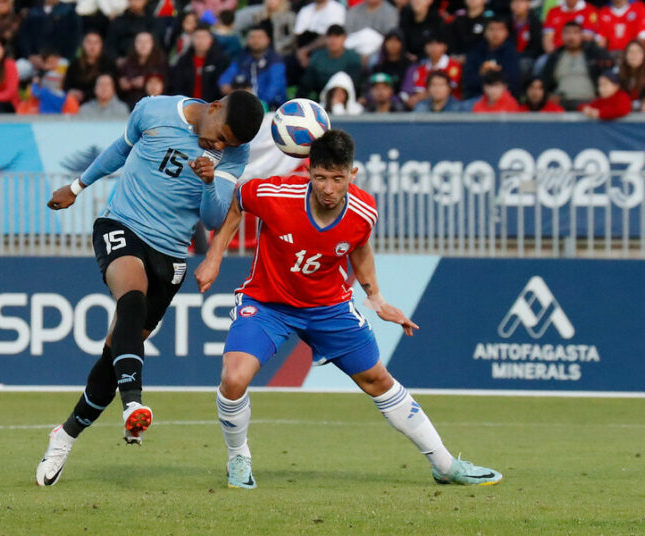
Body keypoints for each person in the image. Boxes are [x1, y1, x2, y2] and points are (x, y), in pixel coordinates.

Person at [194, 129, 503, 490]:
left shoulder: (364, 209)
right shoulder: (274, 193)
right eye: (321, 177)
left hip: (328, 306)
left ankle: (445, 464)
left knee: (378, 380)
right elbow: (236, 204)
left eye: (337, 179)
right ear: (309, 172)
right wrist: (214, 258)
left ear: (351, 175)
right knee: (233, 378)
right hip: (268, 302)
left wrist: (377, 299)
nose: (328, 187)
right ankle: (238, 458)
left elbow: (359, 248)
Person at [36, 89, 265, 486]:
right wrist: (76, 188)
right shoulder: (155, 109)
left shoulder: (232, 155)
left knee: (115, 354)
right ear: (212, 109)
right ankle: (133, 405)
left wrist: (210, 181)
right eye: (220, 135)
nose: (219, 145)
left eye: (228, 144)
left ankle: (66, 434)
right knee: (132, 298)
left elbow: (212, 220)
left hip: (171, 254)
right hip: (122, 225)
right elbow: (120, 150)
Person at [542, 21, 613, 110]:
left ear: (582, 35)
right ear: (562, 36)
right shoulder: (555, 57)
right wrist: (550, 95)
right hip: (561, 105)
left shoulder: (595, 54)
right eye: (567, 33)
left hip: (590, 104)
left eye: (575, 32)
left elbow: (609, 78)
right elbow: (544, 81)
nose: (571, 37)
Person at [218, 23, 285, 110]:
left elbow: (273, 89)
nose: (255, 40)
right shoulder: (242, 58)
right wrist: (227, 87)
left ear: (268, 40)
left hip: (272, 109)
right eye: (252, 37)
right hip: (244, 107)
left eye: (260, 37)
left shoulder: (275, 61)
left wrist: (250, 95)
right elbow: (225, 77)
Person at [297, 24, 362, 101]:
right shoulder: (317, 57)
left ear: (344, 38)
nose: (333, 40)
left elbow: (354, 83)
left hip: (346, 100)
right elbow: (307, 83)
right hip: (321, 98)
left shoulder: (353, 57)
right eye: (330, 37)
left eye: (337, 37)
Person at [463, 17, 521, 100]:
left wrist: (496, 74)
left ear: (506, 32)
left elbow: (514, 82)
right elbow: (468, 81)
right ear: (485, 32)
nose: (495, 33)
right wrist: (482, 73)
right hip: (477, 99)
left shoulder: (511, 53)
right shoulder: (476, 52)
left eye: (500, 29)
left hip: (504, 100)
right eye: (491, 29)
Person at [168, 23, 230, 102]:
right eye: (197, 37)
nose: (200, 41)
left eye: (204, 37)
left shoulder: (221, 60)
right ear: (192, 39)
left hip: (214, 106)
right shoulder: (183, 60)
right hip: (188, 106)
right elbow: (177, 86)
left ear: (211, 39)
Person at [116, 31, 167, 108]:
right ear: (134, 44)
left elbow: (165, 86)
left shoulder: (161, 62)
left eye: (146, 42)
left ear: (152, 44)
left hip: (154, 105)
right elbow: (120, 87)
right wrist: (122, 84)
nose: (143, 45)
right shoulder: (127, 63)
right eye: (139, 42)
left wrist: (148, 82)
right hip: (130, 105)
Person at [64, 31, 116, 105]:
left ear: (101, 45)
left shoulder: (108, 64)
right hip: (77, 103)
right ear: (83, 44)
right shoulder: (75, 64)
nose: (92, 46)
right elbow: (66, 86)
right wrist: (71, 91)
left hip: (102, 103)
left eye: (96, 43)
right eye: (88, 42)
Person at [618, 39, 645, 106]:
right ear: (625, 55)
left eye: (638, 52)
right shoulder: (618, 73)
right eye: (631, 52)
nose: (634, 55)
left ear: (644, 55)